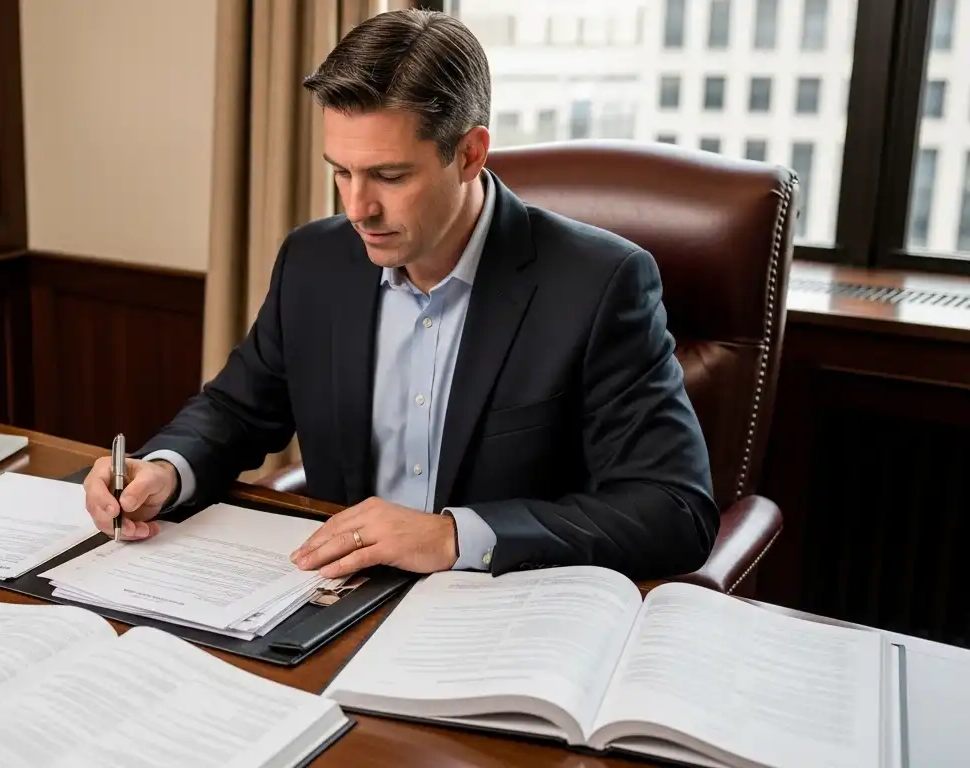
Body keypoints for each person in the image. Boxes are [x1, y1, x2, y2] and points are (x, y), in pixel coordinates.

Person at [82, 8, 718, 582]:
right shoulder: (314, 261)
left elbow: (673, 509)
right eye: (342, 172)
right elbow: (237, 411)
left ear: (470, 154)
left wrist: (451, 535)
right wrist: (165, 469)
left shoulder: (599, 283)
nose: (358, 208)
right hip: (335, 596)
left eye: (390, 176)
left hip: (503, 601)